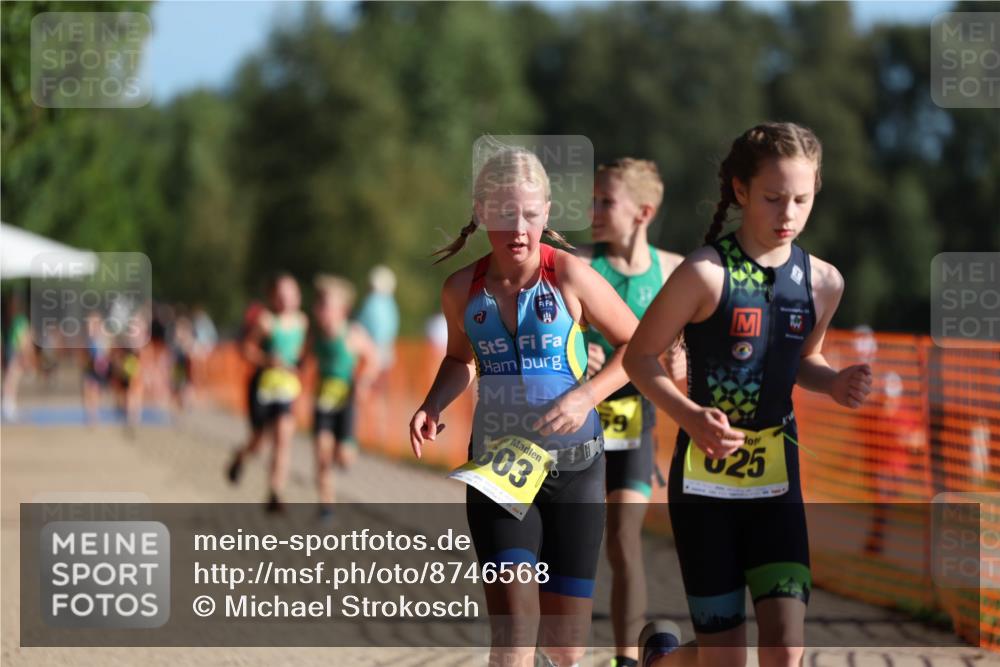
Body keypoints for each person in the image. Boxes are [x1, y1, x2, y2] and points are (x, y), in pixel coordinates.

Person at [624, 122, 873, 667]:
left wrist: (833, 382)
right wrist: (689, 417)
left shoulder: (823, 282)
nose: (788, 214)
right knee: (726, 661)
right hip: (705, 491)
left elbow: (802, 359)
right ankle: (660, 659)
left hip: (776, 483)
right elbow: (638, 358)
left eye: (801, 200)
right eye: (773, 198)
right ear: (740, 191)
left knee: (785, 648)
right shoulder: (704, 273)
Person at [409, 147, 638, 667]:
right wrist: (432, 403)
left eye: (531, 215)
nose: (519, 228)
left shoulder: (569, 276)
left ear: (548, 213)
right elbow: (459, 360)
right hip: (499, 469)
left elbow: (638, 348)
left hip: (576, 469)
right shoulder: (460, 290)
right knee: (514, 636)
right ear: (482, 211)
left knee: (563, 649)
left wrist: (585, 396)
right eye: (506, 214)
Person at [575, 158, 684, 667]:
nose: (593, 210)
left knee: (622, 541)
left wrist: (685, 361)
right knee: (572, 540)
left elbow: (691, 360)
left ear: (644, 212)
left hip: (634, 418)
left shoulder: (675, 270)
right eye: (592, 199)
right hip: (576, 416)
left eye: (605, 202)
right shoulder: (577, 263)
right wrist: (579, 354)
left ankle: (624, 658)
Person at [227, 273, 308, 512]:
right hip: (262, 386)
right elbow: (245, 349)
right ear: (273, 297)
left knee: (283, 438)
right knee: (259, 442)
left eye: (290, 294)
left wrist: (299, 365)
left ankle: (275, 492)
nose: (285, 299)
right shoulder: (266, 321)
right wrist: (266, 360)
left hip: (286, 388)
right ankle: (240, 457)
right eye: (281, 295)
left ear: (298, 297)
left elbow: (300, 352)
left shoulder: (302, 322)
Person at [309, 275, 378, 520]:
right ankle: (326, 506)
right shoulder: (315, 335)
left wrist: (364, 381)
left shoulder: (352, 334)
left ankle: (346, 450)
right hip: (322, 401)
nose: (320, 310)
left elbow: (373, 358)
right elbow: (303, 358)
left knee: (343, 456)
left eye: (325, 305)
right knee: (321, 454)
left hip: (346, 401)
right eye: (318, 304)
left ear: (343, 309)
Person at [1, 293, 34, 422]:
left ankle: (9, 407)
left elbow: (23, 339)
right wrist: (24, 355)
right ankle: (8, 407)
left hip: (16, 353)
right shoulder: (19, 321)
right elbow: (22, 339)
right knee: (11, 380)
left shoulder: (19, 320)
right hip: (16, 353)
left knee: (12, 380)